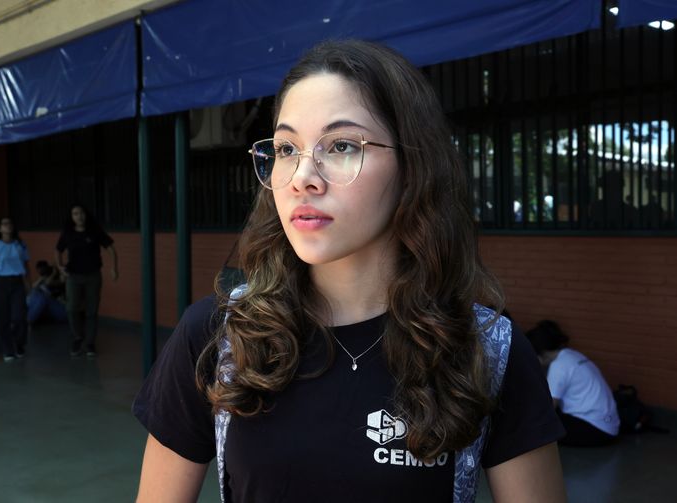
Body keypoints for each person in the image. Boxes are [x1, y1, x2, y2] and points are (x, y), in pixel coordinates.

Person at [133, 40, 566, 503]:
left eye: (340, 145)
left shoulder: (485, 349)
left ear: (412, 167)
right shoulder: (219, 337)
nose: (302, 177)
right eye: (285, 148)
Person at [526, 319, 620, 447]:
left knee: (536, 428)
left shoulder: (558, 366)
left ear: (539, 354)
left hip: (596, 430)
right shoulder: (572, 355)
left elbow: (548, 408)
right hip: (610, 425)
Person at [55, 204, 118, 358]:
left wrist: (114, 268)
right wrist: (59, 266)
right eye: (75, 213)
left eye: (81, 213)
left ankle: (90, 342)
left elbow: (111, 248)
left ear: (86, 215)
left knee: (91, 311)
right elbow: (58, 249)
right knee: (71, 308)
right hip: (73, 276)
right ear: (71, 217)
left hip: (93, 275)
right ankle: (78, 337)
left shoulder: (94, 231)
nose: (79, 216)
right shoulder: (68, 233)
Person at [0, 216, 30, 362]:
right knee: (1, 318)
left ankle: (18, 343)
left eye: (10, 223)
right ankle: (7, 350)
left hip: (17, 283)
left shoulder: (20, 245)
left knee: (19, 317)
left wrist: (28, 283)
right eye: (4, 224)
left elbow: (26, 265)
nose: (8, 226)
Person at [27, 260, 67, 324]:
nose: (41, 272)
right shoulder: (42, 279)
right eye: (39, 270)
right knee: (35, 293)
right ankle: (28, 318)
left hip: (58, 307)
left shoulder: (59, 277)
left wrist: (54, 273)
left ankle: (29, 319)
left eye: (43, 270)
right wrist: (42, 278)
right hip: (43, 307)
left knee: (42, 298)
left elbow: (49, 283)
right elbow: (34, 286)